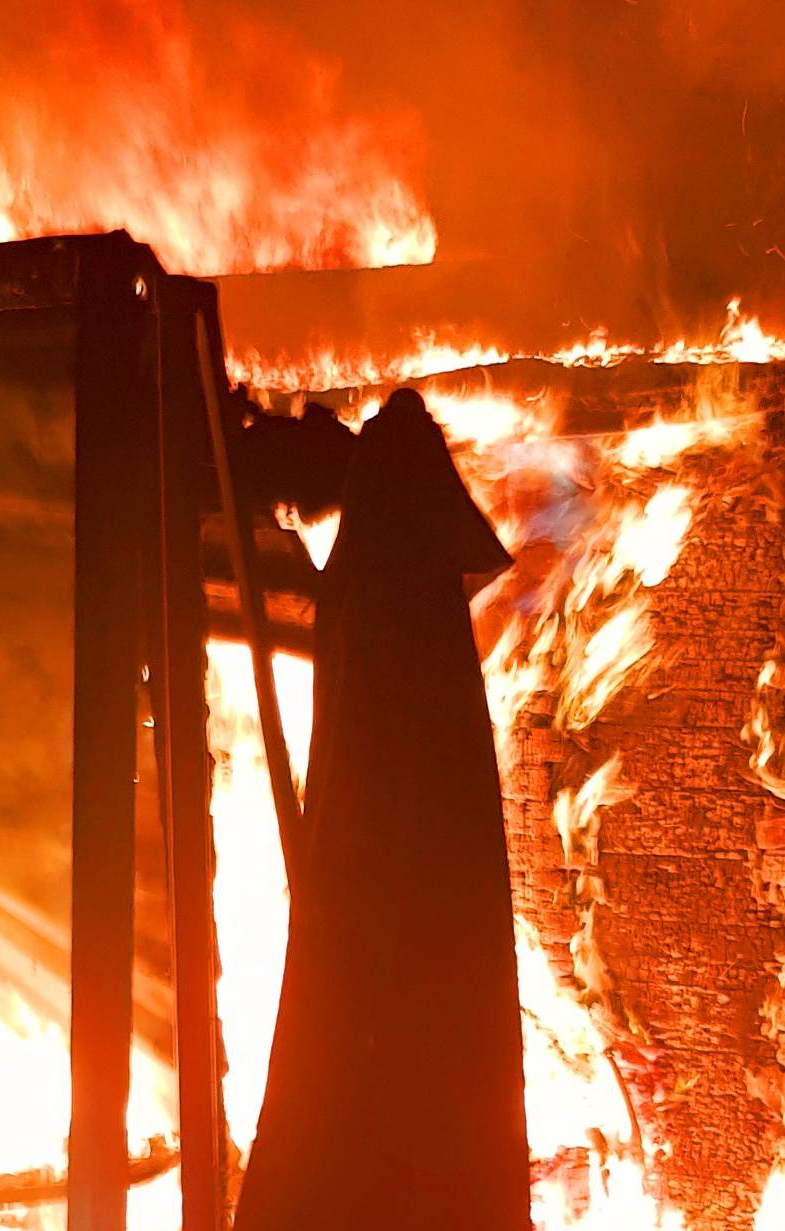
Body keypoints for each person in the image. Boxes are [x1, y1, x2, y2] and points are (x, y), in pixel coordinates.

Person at [234, 388, 528, 1230]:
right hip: (409, 890)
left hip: (389, 896)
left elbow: (377, 767)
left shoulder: (380, 581)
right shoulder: (397, 580)